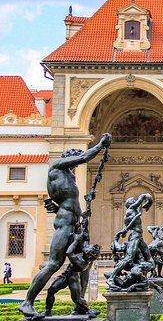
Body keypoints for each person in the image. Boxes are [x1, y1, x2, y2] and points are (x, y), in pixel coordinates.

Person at [19, 133, 111, 319]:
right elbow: (85, 157)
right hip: (65, 223)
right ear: (67, 157)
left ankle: (80, 305)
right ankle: (27, 302)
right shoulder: (57, 166)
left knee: (84, 264)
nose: (76, 165)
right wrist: (101, 145)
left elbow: (60, 198)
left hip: (74, 222)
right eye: (74, 160)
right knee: (54, 263)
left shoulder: (68, 176)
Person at [44, 229, 100, 317]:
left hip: (74, 279)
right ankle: (47, 312)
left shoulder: (82, 263)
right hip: (65, 276)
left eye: (89, 249)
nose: (87, 248)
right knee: (51, 290)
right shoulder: (83, 254)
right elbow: (84, 240)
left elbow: (69, 252)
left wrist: (76, 240)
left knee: (77, 299)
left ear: (89, 255)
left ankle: (88, 310)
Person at [106, 193, 154, 287]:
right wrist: (149, 201)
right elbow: (143, 196)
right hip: (135, 236)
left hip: (139, 236)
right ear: (130, 204)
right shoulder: (131, 209)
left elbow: (124, 233)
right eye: (133, 201)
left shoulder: (132, 213)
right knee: (128, 258)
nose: (135, 201)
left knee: (148, 257)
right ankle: (111, 278)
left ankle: (142, 279)